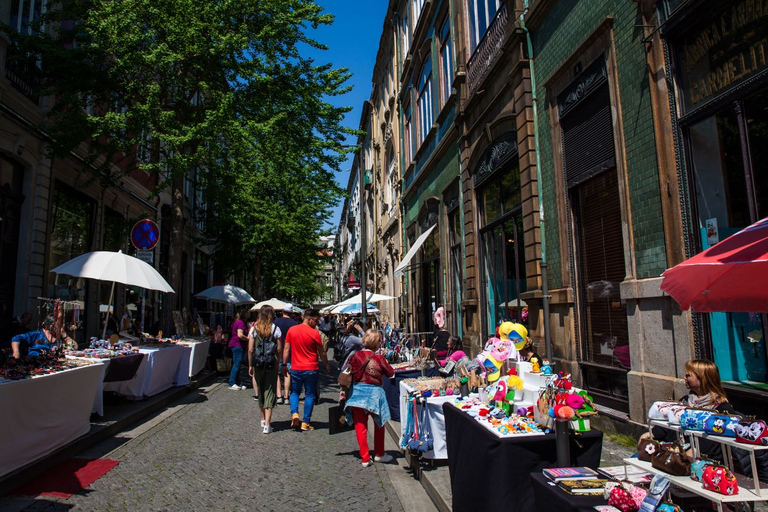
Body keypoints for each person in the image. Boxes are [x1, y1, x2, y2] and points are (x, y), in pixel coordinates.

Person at [640, 359, 734, 461]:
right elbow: (670, 425)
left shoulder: (721, 408)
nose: (684, 377)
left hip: (704, 460)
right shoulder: (685, 401)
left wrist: (692, 451)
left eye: (688, 375)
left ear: (702, 378)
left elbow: (713, 443)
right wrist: (652, 433)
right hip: (679, 451)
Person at [344, 329, 395, 467]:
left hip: (357, 394)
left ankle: (365, 458)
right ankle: (379, 453)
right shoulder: (378, 358)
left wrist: (343, 391)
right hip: (374, 394)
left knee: (360, 426)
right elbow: (390, 373)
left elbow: (345, 374)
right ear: (376, 343)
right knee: (379, 423)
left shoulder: (354, 356)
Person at [283, 308, 329, 431]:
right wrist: (326, 364)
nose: (317, 323)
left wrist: (283, 364)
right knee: (310, 395)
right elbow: (322, 352)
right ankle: (306, 422)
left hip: (296, 367)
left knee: (294, 392)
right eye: (315, 320)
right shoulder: (314, 333)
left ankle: (295, 414)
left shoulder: (292, 330)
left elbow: (286, 350)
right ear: (308, 319)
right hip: (311, 368)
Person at [248, 305, 282, 434]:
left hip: (257, 364)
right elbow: (279, 349)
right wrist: (278, 362)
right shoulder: (276, 329)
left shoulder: (254, 329)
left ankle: (262, 419)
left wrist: (250, 365)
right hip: (271, 364)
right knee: (270, 391)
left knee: (261, 391)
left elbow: (250, 349)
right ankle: (267, 424)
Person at [274, 305, 298, 405]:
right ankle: (286, 397)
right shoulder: (295, 324)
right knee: (287, 373)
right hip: (290, 352)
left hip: (277, 351)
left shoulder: (276, 322)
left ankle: (279, 396)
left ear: (282, 311)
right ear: (291, 312)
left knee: (276, 374)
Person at [228, 311, 248, 390]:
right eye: (247, 313)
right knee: (237, 364)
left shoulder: (236, 322)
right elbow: (240, 334)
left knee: (237, 364)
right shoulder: (240, 323)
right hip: (237, 345)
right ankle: (232, 382)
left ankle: (237, 382)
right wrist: (247, 339)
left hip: (236, 344)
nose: (248, 315)